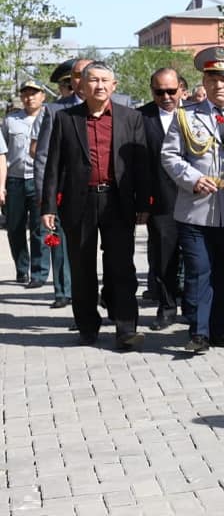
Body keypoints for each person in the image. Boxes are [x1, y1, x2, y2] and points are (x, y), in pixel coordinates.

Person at [40, 62, 150, 349]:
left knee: (122, 266)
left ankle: (126, 328)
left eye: (105, 81)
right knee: (82, 267)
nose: (99, 86)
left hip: (118, 200)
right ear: (81, 85)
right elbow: (54, 166)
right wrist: (48, 206)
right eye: (93, 80)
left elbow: (141, 164)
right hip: (80, 202)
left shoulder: (131, 118)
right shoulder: (65, 119)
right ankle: (88, 325)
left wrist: (144, 201)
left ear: (114, 85)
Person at [161, 47, 224, 352]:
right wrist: (191, 178)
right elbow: (170, 155)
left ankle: (220, 327)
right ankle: (198, 332)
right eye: (213, 77)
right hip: (195, 210)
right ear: (204, 79)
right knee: (199, 270)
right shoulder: (185, 116)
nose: (219, 84)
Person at [31, 58, 90, 309]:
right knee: (61, 243)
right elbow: (42, 155)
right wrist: (45, 197)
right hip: (65, 191)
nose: (81, 81)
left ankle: (101, 292)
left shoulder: (118, 106)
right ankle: (64, 291)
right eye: (76, 77)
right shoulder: (55, 111)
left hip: (103, 191)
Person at [139, 69, 186, 330]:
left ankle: (194, 307)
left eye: (171, 90)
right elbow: (137, 164)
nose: (166, 96)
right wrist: (143, 203)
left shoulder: (195, 112)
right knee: (164, 259)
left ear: (181, 88)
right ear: (152, 91)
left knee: (196, 258)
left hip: (196, 198)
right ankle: (167, 308)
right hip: (161, 201)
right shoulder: (141, 117)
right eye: (160, 92)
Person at [3, 81, 48, 288]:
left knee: (40, 229)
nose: (29, 97)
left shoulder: (50, 117)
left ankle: (38, 273)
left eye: (34, 93)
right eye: (26, 94)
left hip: (39, 180)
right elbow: (2, 153)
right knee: (15, 227)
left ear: (43, 96)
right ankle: (22, 269)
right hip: (15, 180)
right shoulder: (11, 120)